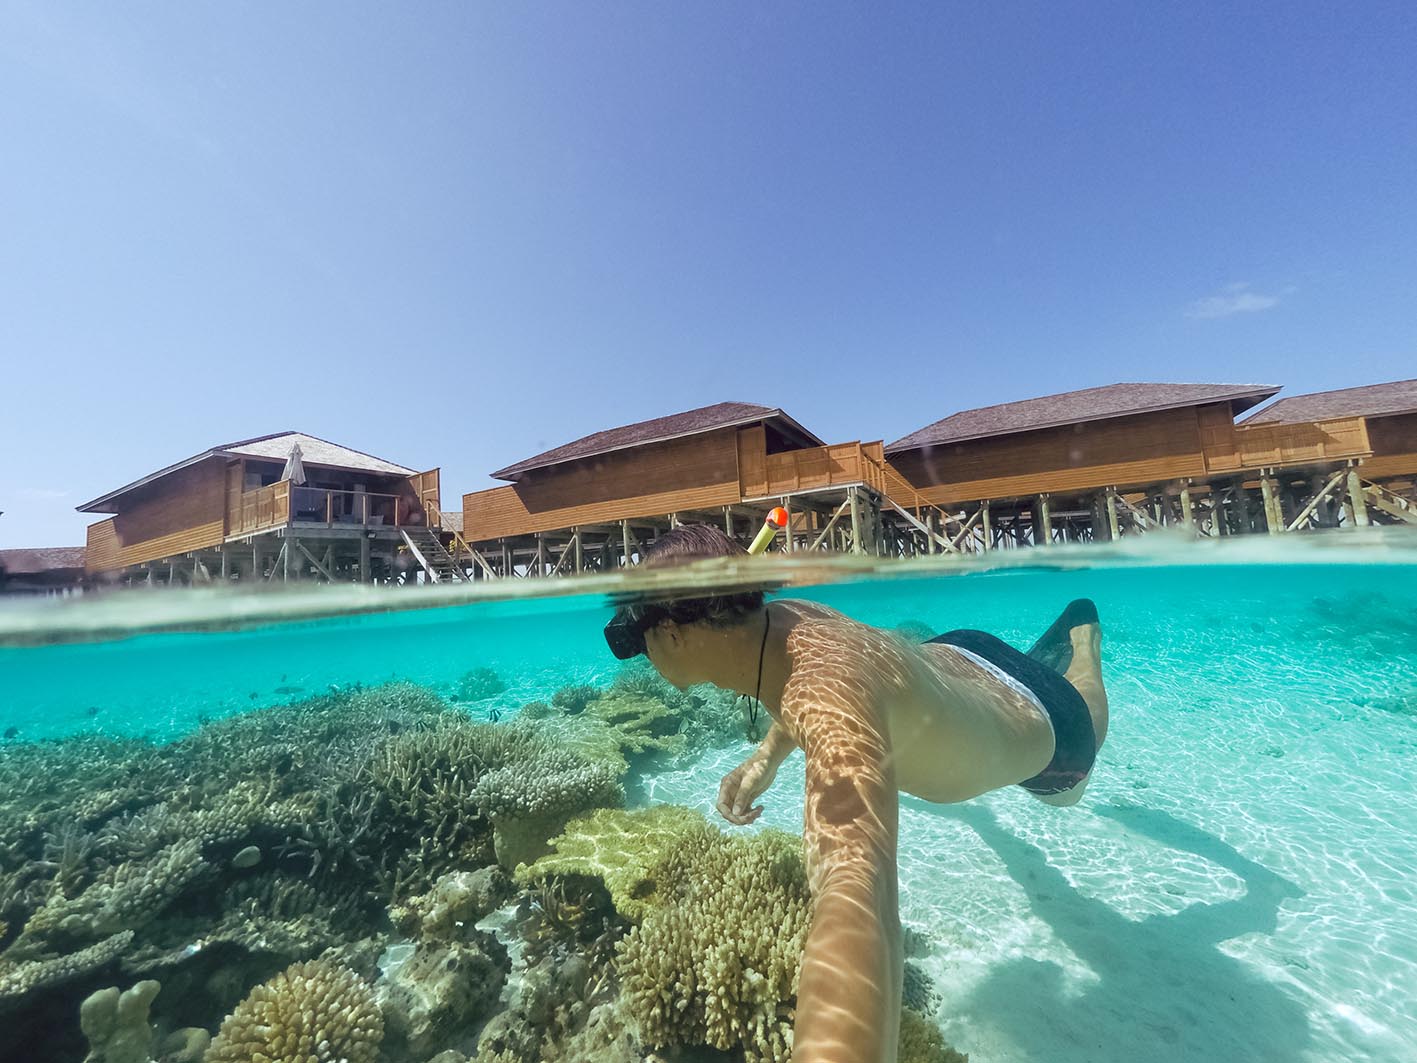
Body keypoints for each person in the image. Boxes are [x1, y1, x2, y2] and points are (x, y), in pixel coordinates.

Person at [603, 524, 1109, 1063]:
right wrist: (764, 760)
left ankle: (1083, 644)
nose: (642, 651)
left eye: (638, 634)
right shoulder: (782, 619)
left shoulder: (820, 692)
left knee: (1082, 740)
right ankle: (1052, 655)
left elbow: (858, 887)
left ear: (673, 634)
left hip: (1052, 723)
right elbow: (816, 687)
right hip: (959, 652)